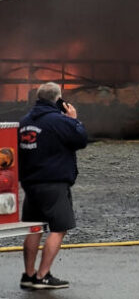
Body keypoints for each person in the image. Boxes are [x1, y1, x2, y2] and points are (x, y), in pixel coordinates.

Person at [18, 82, 88, 290]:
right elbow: (81, 139)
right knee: (59, 228)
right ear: (58, 99)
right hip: (54, 183)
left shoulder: (24, 121)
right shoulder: (59, 121)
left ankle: (29, 275)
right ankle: (42, 276)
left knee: (34, 228)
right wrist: (73, 120)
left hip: (30, 183)